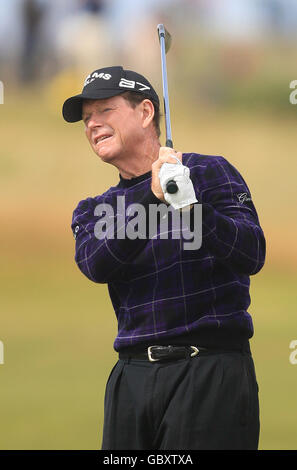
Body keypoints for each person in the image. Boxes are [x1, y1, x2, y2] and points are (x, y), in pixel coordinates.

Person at [62, 65, 266, 450]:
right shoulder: (95, 208)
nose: (92, 124)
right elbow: (96, 263)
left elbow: (252, 252)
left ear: (145, 112)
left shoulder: (209, 172)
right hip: (132, 377)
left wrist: (194, 211)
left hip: (209, 370)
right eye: (87, 118)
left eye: (104, 110)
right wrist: (152, 196)